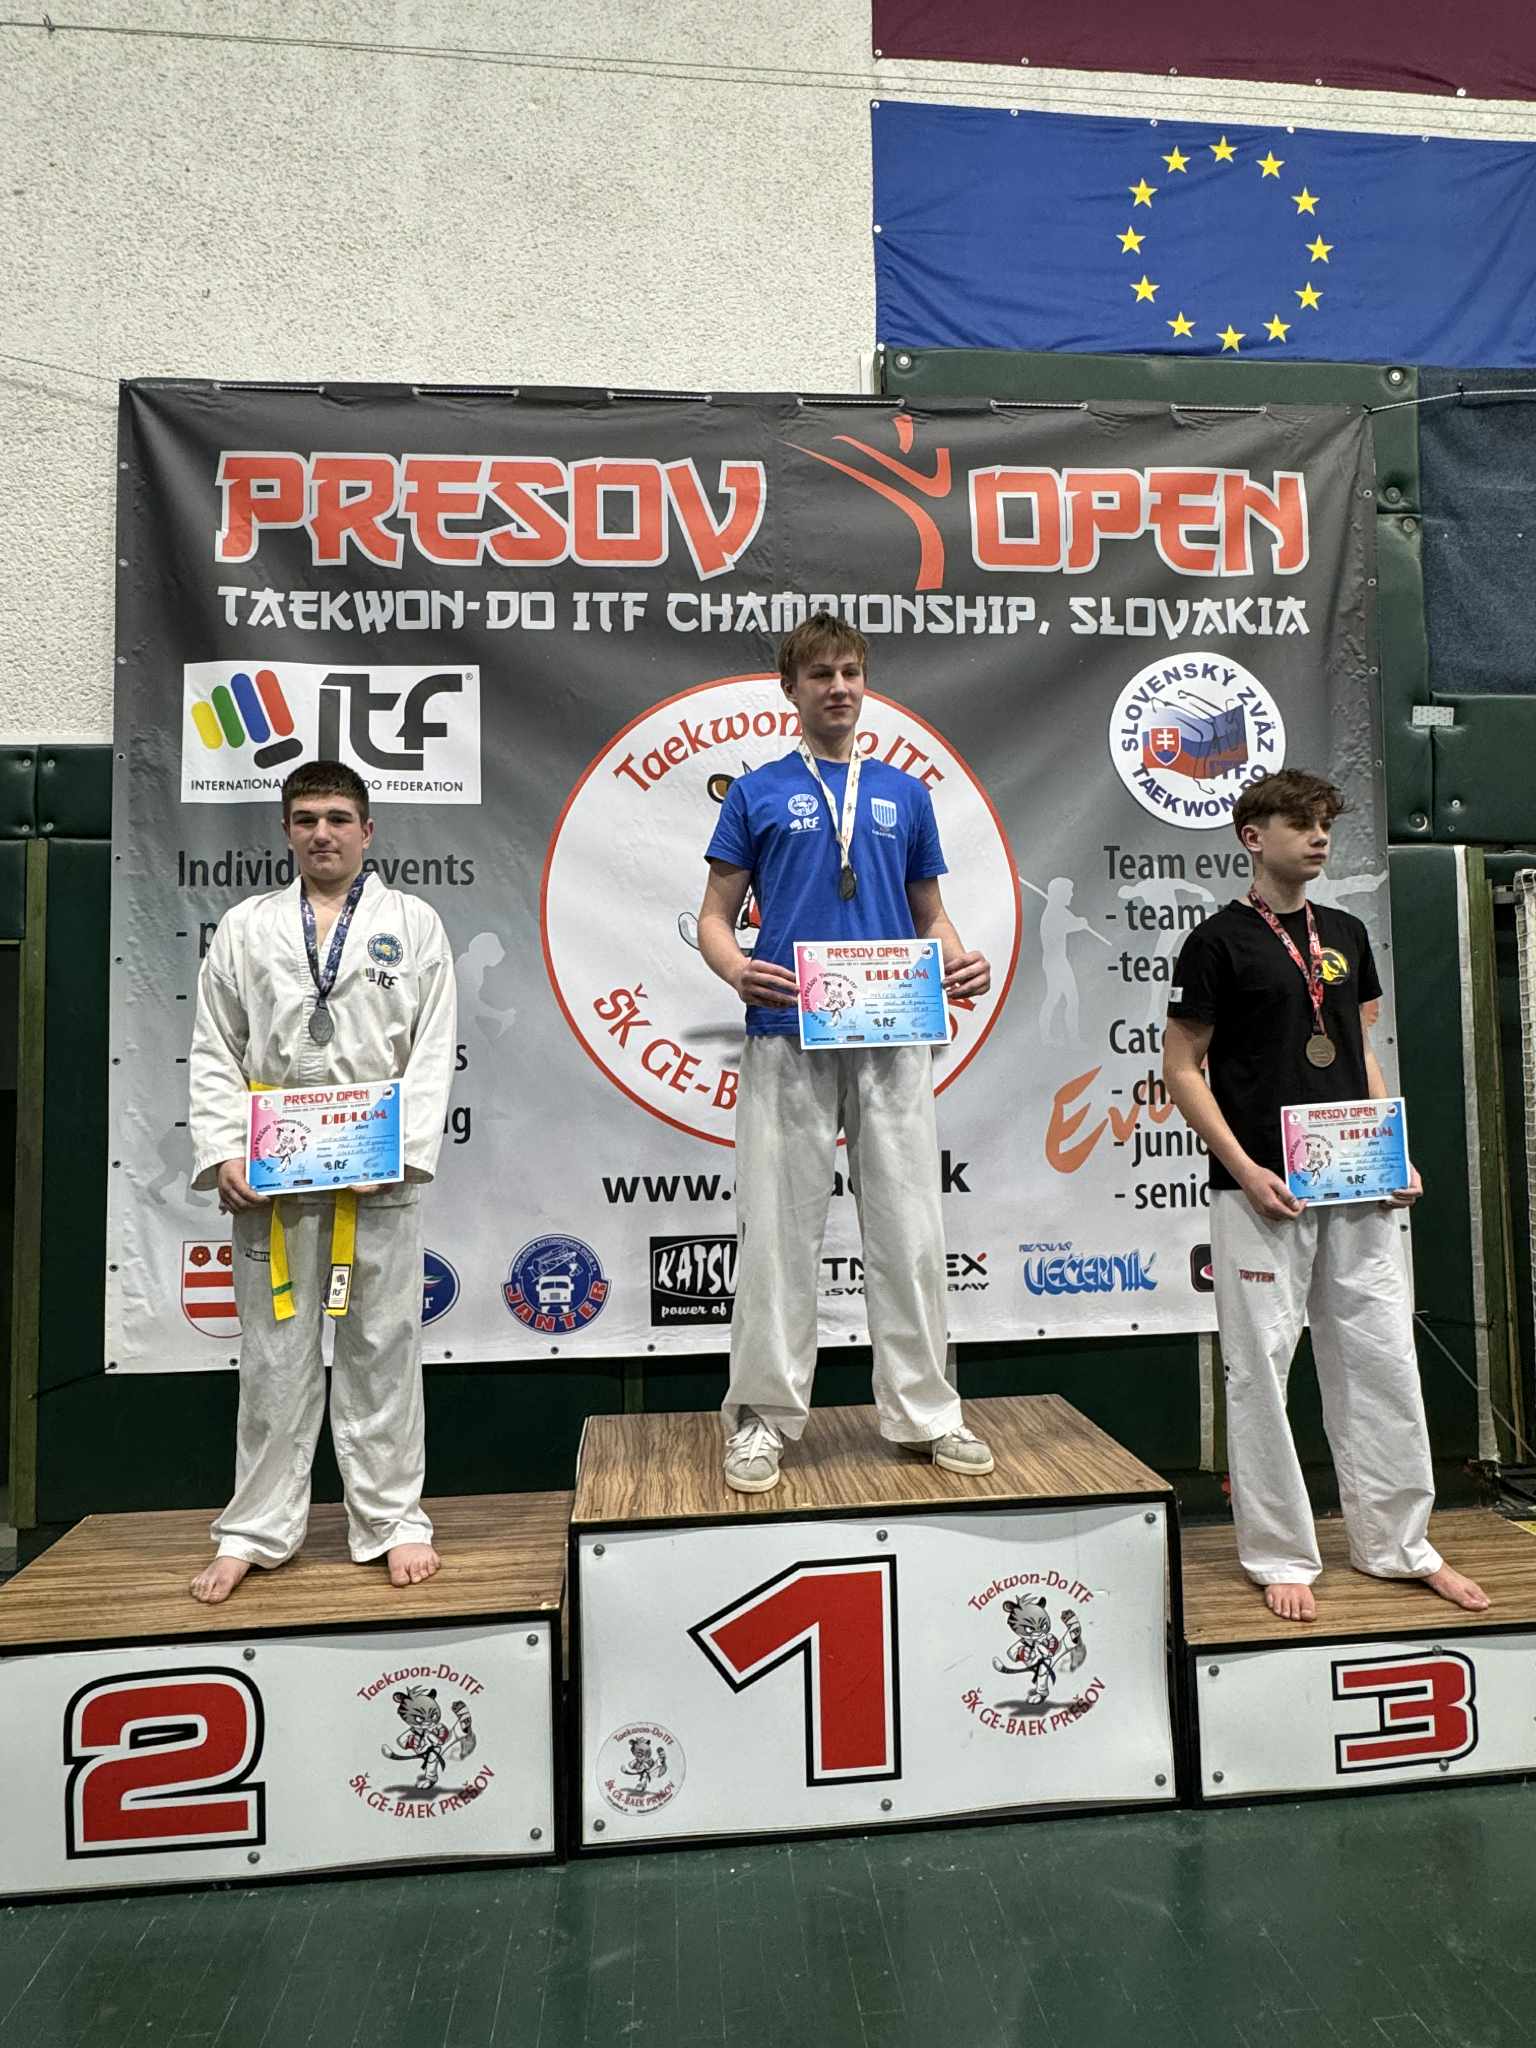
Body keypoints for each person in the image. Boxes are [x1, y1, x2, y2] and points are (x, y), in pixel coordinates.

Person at [1162, 768, 1488, 1623]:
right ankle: (1278, 1553)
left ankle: (1399, 1544)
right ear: (1252, 837)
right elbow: (1181, 1068)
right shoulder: (1216, 942)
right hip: (1262, 1189)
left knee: (1382, 1358)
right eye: (1300, 824)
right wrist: (1243, 1168)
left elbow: (1359, 1049)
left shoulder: (1344, 932)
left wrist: (1392, 1150)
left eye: (1325, 826)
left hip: (1356, 1181)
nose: (1317, 838)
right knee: (1260, 1373)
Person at [696, 613, 994, 1493]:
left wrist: (957, 958)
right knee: (777, 1232)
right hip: (789, 1029)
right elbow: (714, 916)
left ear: (866, 683)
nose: (839, 687)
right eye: (821, 674)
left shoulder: (905, 793)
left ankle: (927, 1411)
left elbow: (929, 914)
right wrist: (735, 969)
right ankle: (761, 1419)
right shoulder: (756, 793)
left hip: (893, 1028)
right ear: (791, 689)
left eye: (851, 672)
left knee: (910, 1227)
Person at [186, 761, 457, 1602]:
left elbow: (432, 1048)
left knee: (383, 1349)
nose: (322, 834)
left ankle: (393, 1518)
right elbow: (215, 1046)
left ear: (367, 831)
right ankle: (255, 1528)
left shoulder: (412, 924)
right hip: (275, 1169)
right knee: (274, 1358)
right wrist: (224, 1151)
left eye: (338, 818)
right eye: (305, 819)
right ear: (286, 831)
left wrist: (402, 1151)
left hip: (376, 1168)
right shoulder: (246, 926)